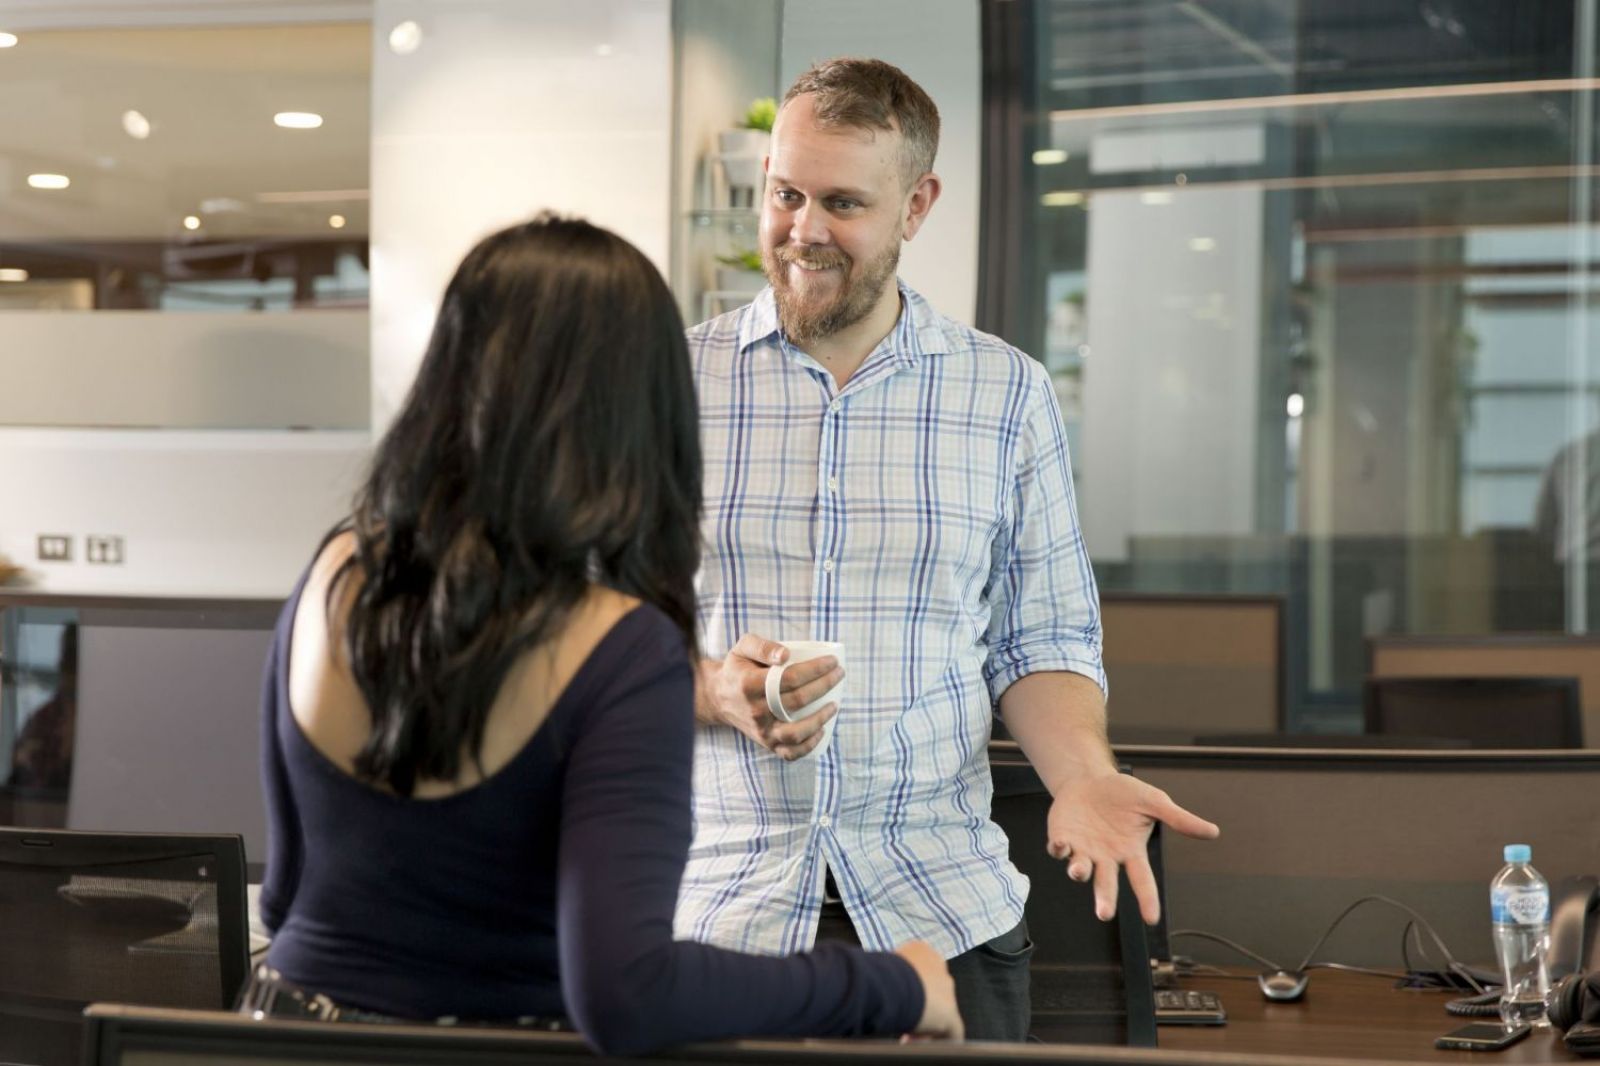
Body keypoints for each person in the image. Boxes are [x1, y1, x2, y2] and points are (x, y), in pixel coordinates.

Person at [250, 215, 961, 1055]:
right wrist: (896, 984)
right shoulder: (619, 649)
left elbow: (285, 896)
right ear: (637, 406)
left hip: (275, 1033)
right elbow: (628, 994)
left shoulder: (337, 572)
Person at [681, 58, 1220, 1041]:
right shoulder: (669, 384)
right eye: (785, 193)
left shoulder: (1003, 394)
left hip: (938, 917)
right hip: (717, 918)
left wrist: (1083, 776)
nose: (802, 230)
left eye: (842, 202)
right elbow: (593, 638)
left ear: (917, 204)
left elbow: (1039, 640)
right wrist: (716, 687)